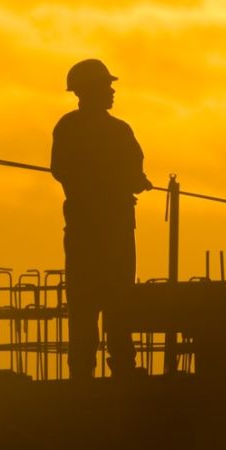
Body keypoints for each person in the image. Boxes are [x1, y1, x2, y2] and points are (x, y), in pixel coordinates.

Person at [51, 58, 152, 379]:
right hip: (114, 231)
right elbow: (134, 175)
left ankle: (81, 373)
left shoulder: (68, 127)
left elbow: (60, 171)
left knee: (84, 304)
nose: (112, 92)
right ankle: (122, 367)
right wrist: (133, 181)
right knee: (116, 301)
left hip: (84, 231)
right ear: (90, 91)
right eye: (106, 86)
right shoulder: (118, 130)